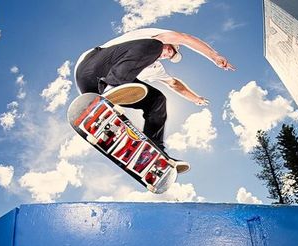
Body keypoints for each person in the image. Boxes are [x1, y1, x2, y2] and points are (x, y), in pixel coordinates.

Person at [74, 28, 235, 173]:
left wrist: (196, 99)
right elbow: (185, 38)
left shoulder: (153, 67)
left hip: (96, 91)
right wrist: (214, 56)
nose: (165, 53)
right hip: (92, 66)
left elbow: (173, 84)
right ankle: (111, 86)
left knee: (157, 100)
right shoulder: (152, 39)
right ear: (170, 42)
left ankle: (151, 152)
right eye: (169, 49)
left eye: (168, 55)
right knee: (154, 45)